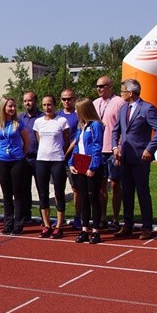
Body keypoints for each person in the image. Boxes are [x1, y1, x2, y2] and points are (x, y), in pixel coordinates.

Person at [111, 78, 157, 239]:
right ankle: (128, 225)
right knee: (126, 192)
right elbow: (116, 131)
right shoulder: (123, 109)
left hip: (141, 158)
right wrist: (115, 147)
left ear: (130, 92)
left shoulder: (147, 108)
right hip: (125, 158)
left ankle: (146, 226)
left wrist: (150, 149)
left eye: (122, 91)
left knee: (143, 193)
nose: (121, 94)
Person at [32, 94, 71, 238]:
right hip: (42, 160)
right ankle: (47, 225)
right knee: (43, 194)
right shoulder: (38, 122)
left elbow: (66, 140)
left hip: (57, 160)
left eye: (49, 104)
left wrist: (61, 154)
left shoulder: (62, 121)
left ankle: (59, 226)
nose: (47, 108)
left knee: (59, 193)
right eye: (44, 105)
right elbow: (38, 139)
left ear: (55, 105)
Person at [68, 98, 106, 244]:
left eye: (78, 109)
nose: (76, 112)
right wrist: (72, 163)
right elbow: (77, 147)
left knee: (93, 198)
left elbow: (97, 147)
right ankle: (84, 229)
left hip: (92, 166)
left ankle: (96, 231)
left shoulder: (96, 125)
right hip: (81, 165)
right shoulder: (82, 126)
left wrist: (93, 167)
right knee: (84, 198)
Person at [0, 96, 30, 235]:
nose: (13, 109)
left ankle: (18, 225)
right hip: (2, 161)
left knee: (18, 194)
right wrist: (3, 153)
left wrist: (20, 155)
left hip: (17, 161)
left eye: (14, 106)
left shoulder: (19, 123)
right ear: (3, 107)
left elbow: (27, 141)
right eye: (10, 106)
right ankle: (8, 224)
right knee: (6, 194)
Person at [93, 75, 123, 230]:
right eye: (97, 86)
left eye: (102, 86)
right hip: (98, 150)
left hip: (113, 150)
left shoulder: (119, 102)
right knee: (100, 185)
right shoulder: (95, 103)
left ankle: (116, 218)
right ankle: (103, 216)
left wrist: (119, 147)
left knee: (116, 184)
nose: (99, 89)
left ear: (110, 86)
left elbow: (124, 128)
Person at [17, 91, 43, 224]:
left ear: (36, 101)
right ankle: (26, 216)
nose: (28, 103)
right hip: (25, 158)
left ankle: (44, 216)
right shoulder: (20, 118)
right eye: (25, 101)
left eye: (30, 100)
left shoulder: (43, 117)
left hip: (40, 158)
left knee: (42, 189)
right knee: (24, 189)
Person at [58, 88, 81, 229]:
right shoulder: (57, 116)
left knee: (76, 188)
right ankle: (61, 217)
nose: (67, 101)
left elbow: (79, 137)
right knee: (58, 189)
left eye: (69, 99)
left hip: (75, 157)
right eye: (64, 99)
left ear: (74, 99)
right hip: (58, 158)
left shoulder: (79, 115)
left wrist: (68, 151)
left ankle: (78, 217)